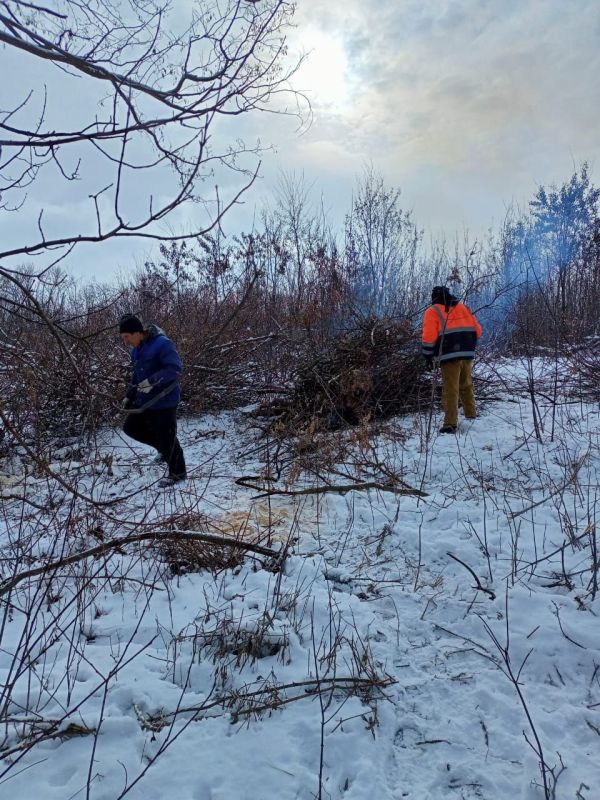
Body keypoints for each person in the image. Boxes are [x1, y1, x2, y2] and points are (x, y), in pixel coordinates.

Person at [119, 314, 187, 486]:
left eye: (127, 337)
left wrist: (152, 381)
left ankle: (178, 473)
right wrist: (129, 395)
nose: (126, 341)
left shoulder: (163, 344)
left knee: (167, 436)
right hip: (145, 401)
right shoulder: (136, 350)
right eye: (123, 338)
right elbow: (137, 375)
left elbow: (175, 369)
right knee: (131, 427)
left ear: (137, 332)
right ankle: (164, 451)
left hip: (165, 400)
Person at [421, 286, 482, 434]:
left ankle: (450, 423)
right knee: (466, 384)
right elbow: (478, 331)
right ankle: (471, 414)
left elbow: (429, 336)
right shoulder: (463, 307)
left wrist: (427, 355)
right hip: (467, 352)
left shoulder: (432, 311)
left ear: (434, 297)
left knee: (450, 389)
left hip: (449, 354)